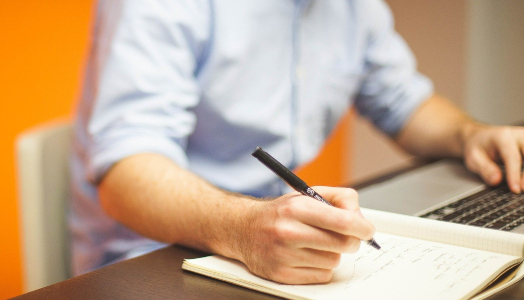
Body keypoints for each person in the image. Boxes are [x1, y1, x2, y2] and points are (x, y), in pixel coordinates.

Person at [69, 0, 524, 283]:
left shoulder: (351, 7)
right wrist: (243, 229)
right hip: (154, 258)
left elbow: (403, 101)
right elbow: (126, 172)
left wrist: (471, 134)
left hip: (270, 242)